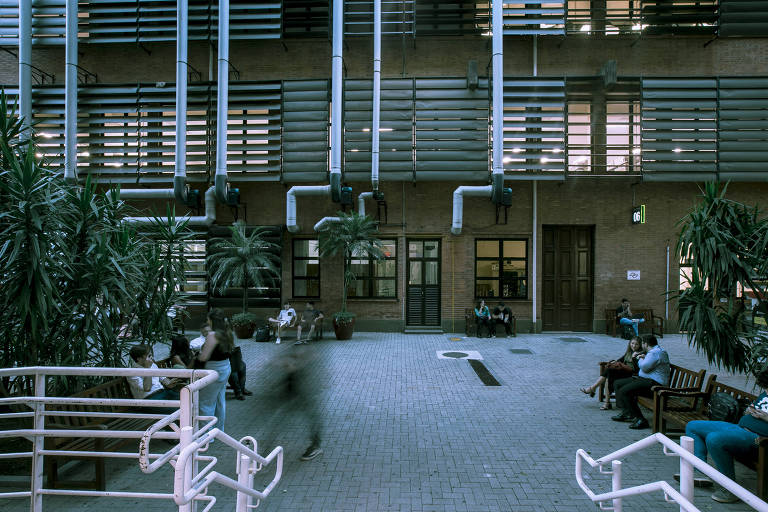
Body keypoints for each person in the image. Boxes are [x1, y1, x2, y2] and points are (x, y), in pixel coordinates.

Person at [684, 367, 768, 504]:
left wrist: (766, 417)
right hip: (740, 428)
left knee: (714, 439)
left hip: (758, 438)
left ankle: (730, 489)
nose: (766, 392)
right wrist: (749, 411)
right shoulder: (766, 393)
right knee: (693, 426)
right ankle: (701, 472)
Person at [611, 335, 670, 429]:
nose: (642, 345)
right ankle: (627, 412)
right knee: (618, 383)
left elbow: (645, 367)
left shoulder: (655, 352)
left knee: (625, 391)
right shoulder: (654, 352)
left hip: (655, 384)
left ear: (645, 344)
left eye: (642, 343)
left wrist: (640, 358)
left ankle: (640, 419)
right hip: (645, 380)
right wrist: (644, 357)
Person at [194, 308, 234, 429]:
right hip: (225, 367)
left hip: (213, 370)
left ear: (212, 320)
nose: (207, 321)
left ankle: (207, 435)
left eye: (208, 319)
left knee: (205, 403)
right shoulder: (227, 332)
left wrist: (198, 353)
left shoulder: (212, 335)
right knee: (219, 401)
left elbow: (203, 357)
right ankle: (218, 430)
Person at [580, 337, 645, 410]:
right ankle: (605, 401)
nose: (634, 346)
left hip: (631, 374)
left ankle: (594, 389)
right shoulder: (629, 352)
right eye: (632, 343)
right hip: (623, 372)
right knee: (609, 374)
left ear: (640, 345)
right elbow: (620, 360)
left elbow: (637, 369)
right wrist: (614, 363)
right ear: (629, 343)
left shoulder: (640, 354)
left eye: (636, 344)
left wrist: (634, 358)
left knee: (609, 372)